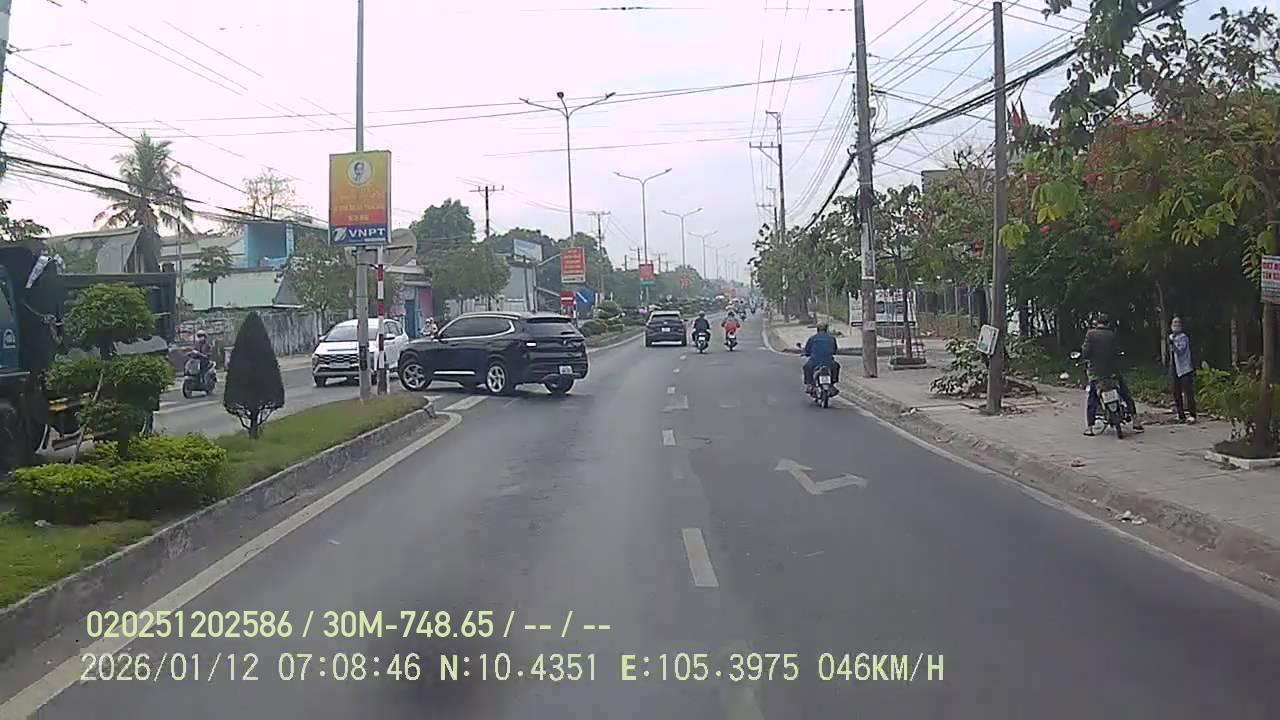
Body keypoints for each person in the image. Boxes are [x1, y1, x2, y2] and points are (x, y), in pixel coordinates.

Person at [1081, 313, 1142, 435]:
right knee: (1125, 393)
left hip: (1096, 373)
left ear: (1097, 323)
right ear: (1108, 323)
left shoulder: (1090, 334)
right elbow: (1117, 351)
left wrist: (1086, 358)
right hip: (1112, 372)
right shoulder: (1112, 335)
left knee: (1092, 397)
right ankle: (1135, 420)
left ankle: (1090, 427)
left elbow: (1086, 352)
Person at [1169, 316, 1197, 424]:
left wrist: (1173, 344)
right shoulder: (1171, 337)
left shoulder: (1183, 337)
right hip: (1175, 367)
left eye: (1178, 322)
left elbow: (1180, 351)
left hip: (1185, 368)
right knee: (1176, 392)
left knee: (1188, 392)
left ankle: (1192, 414)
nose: (1176, 324)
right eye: (1174, 322)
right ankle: (1181, 415)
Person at [802, 322, 841, 389]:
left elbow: (807, 350)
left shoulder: (812, 338)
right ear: (826, 329)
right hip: (829, 362)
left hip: (815, 361)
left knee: (806, 367)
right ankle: (832, 383)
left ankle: (809, 385)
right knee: (836, 366)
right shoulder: (831, 338)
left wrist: (806, 353)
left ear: (817, 329)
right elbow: (834, 350)